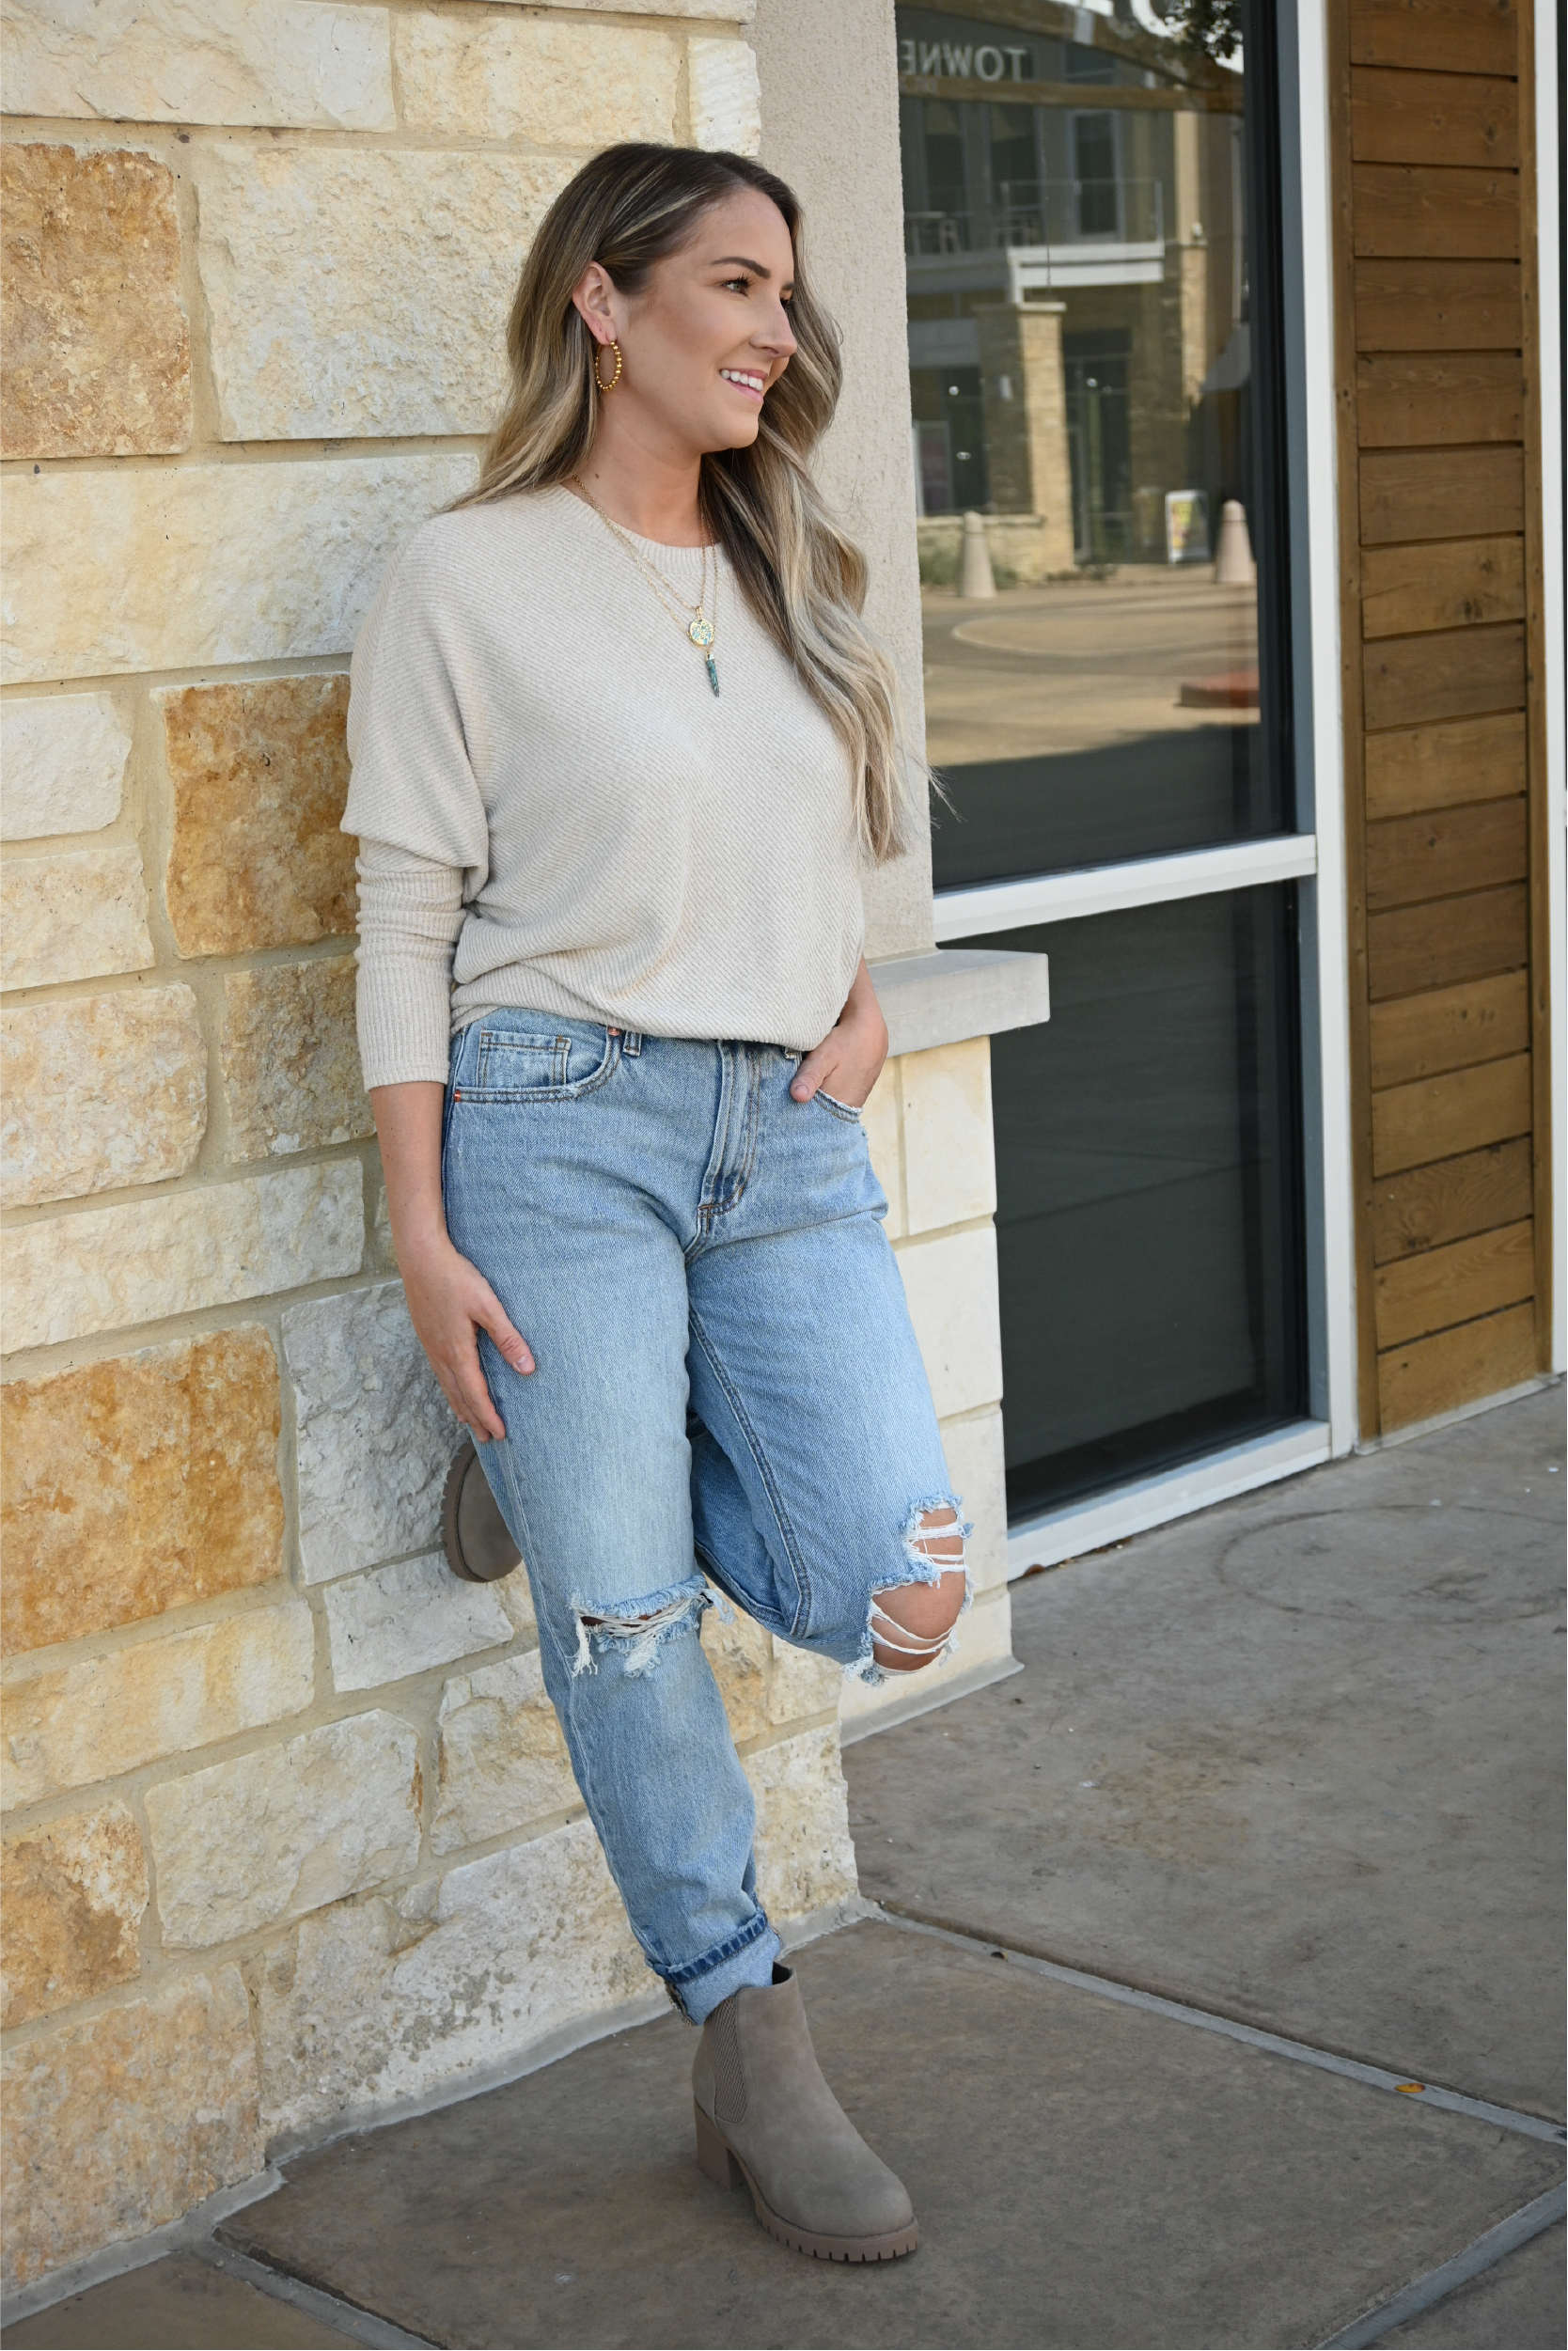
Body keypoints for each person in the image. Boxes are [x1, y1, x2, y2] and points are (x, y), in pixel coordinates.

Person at [345, 142, 968, 2265]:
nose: (773, 328)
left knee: (897, 1582)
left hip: (782, 1145)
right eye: (732, 281)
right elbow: (406, 913)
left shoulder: (797, 562)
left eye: (786, 294)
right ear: (603, 303)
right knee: (626, 1628)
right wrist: (427, 1233)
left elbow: (812, 851)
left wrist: (861, 1001)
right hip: (556, 1122)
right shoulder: (469, 574)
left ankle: (568, 1473)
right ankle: (745, 2025)